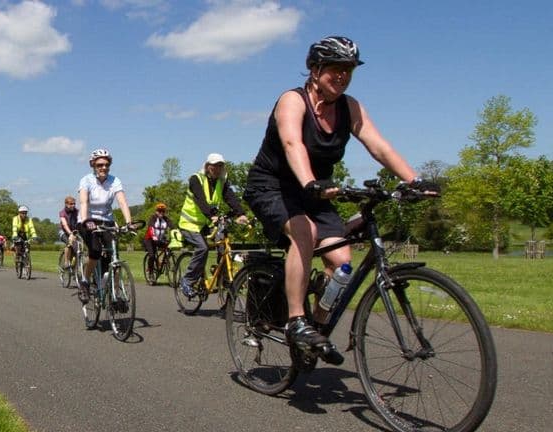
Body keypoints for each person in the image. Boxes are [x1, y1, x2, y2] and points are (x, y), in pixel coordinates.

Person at [242, 36, 438, 362]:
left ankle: (316, 331)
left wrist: (413, 181)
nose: (343, 76)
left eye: (349, 70)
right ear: (315, 69)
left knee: (342, 261)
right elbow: (293, 145)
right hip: (273, 186)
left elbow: (379, 146)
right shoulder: (293, 101)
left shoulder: (350, 107)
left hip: (314, 189)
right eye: (336, 68)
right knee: (305, 232)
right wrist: (309, 182)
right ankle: (296, 322)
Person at [178, 153, 248, 297]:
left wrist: (240, 213)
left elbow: (230, 197)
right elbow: (200, 200)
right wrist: (212, 216)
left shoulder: (222, 181)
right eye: (214, 165)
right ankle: (188, 280)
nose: (217, 168)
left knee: (224, 245)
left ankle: (223, 279)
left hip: (207, 222)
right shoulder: (196, 179)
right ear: (207, 166)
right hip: (189, 223)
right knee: (202, 248)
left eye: (220, 165)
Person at [77, 148, 133, 304]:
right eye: (100, 164)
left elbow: (122, 201)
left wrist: (129, 222)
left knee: (114, 255)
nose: (104, 167)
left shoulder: (114, 180)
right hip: (87, 219)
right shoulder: (86, 180)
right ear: (93, 165)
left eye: (107, 164)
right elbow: (84, 202)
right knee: (95, 250)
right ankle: (85, 282)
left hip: (106, 220)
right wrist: (87, 220)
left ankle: (115, 293)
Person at [143, 202, 173, 275]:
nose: (161, 213)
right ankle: (150, 273)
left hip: (159, 240)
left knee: (169, 247)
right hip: (149, 239)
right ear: (156, 211)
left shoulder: (166, 219)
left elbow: (172, 227)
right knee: (152, 255)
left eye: (163, 211)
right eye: (159, 211)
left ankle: (164, 263)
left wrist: (177, 233)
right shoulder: (153, 218)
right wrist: (154, 236)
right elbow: (151, 228)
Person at [58, 195, 79, 269]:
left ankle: (74, 269)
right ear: (66, 204)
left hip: (74, 232)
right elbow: (64, 224)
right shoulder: (62, 212)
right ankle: (66, 262)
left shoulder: (77, 212)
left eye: (74, 204)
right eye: (71, 204)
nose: (73, 205)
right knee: (69, 244)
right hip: (63, 232)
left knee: (78, 249)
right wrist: (70, 234)